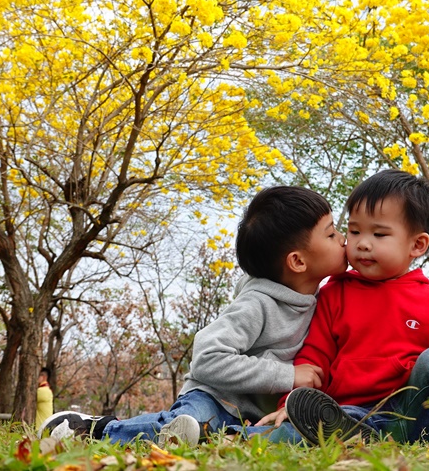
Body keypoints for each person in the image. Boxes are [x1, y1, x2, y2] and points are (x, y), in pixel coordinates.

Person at [251, 169, 429, 446]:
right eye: (354, 231)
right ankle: (239, 434)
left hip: (419, 416)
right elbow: (313, 358)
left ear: (417, 245)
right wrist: (290, 402)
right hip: (348, 416)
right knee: (298, 428)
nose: (363, 243)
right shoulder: (334, 293)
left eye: (379, 234)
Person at [38, 185, 348, 445]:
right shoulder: (258, 304)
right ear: (297, 261)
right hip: (211, 398)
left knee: (239, 436)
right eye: (332, 234)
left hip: (249, 415)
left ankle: (216, 436)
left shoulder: (322, 300)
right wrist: (288, 376)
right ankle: (94, 429)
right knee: (192, 423)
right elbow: (207, 358)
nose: (344, 238)